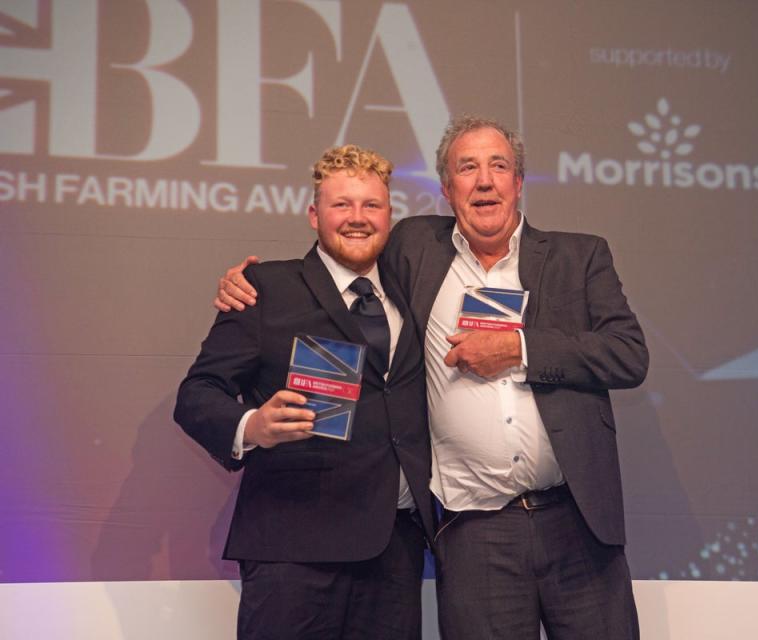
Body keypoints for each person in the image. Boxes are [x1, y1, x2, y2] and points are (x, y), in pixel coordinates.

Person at [216, 117, 649, 639]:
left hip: (575, 520)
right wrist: (245, 283)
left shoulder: (579, 257)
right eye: (467, 168)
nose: (484, 180)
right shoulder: (415, 250)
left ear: (518, 181)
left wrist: (520, 347)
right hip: (474, 530)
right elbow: (344, 254)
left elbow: (628, 354)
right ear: (446, 190)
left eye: (498, 166)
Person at [175, 144, 434, 640]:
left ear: (390, 216)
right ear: (314, 215)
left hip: (395, 551)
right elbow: (197, 393)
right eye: (341, 205)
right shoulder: (264, 288)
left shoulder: (414, 294)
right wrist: (253, 426)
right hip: (293, 550)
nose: (357, 218)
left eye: (371, 205)